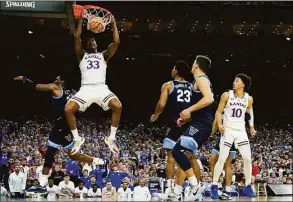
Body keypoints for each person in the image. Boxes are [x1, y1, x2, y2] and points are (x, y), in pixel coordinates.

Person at [14, 76, 104, 187]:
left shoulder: (59, 88)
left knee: (70, 155)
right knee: (52, 154)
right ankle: (44, 176)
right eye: (56, 77)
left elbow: (36, 86)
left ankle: (92, 159)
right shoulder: (70, 92)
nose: (55, 79)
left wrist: (25, 79)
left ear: (63, 81)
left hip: (65, 127)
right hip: (59, 126)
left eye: (58, 77)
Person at [65, 11, 121, 155]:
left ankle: (111, 138)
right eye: (88, 41)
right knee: (68, 109)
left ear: (96, 44)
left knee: (117, 106)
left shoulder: (104, 55)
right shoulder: (82, 55)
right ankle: (77, 139)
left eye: (93, 40)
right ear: (85, 45)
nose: (91, 41)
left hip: (101, 88)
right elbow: (76, 37)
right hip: (85, 89)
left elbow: (116, 42)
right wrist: (81, 21)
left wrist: (114, 24)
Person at [170, 55, 214, 201]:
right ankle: (178, 192)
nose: (192, 64)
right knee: (184, 156)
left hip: (202, 124)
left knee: (177, 150)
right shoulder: (199, 81)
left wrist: (188, 110)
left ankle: (195, 186)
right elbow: (202, 108)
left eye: (194, 62)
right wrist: (186, 119)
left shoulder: (201, 79)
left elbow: (209, 99)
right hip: (199, 122)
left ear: (196, 66)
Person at [211, 73, 256, 199]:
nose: (234, 82)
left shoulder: (248, 98)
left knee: (247, 158)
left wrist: (251, 127)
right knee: (222, 158)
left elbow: (250, 111)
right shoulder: (227, 95)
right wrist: (220, 125)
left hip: (241, 131)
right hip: (228, 130)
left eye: (237, 81)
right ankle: (214, 185)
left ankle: (247, 185)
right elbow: (218, 112)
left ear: (243, 84)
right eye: (234, 80)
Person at [150, 60, 192, 190]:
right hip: (189, 125)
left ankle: (169, 188)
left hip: (175, 124)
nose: (172, 70)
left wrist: (155, 115)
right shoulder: (192, 86)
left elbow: (161, 104)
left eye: (174, 68)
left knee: (171, 158)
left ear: (177, 71)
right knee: (185, 159)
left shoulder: (168, 85)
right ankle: (180, 189)